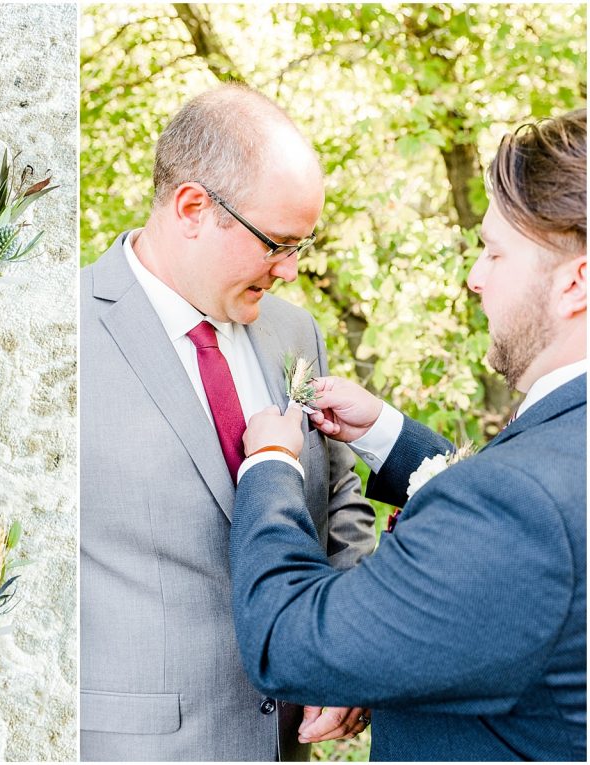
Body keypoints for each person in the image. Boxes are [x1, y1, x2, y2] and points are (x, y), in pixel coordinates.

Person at [229, 108, 586, 761]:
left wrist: (273, 466)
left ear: (577, 282)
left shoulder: (524, 505)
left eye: (496, 252)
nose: (475, 277)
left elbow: (287, 638)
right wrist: (388, 435)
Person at [80, 84, 376, 761]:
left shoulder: (293, 331)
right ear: (192, 207)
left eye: (303, 243)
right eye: (277, 242)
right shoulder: (62, 335)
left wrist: (346, 653)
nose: (293, 269)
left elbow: (339, 501)